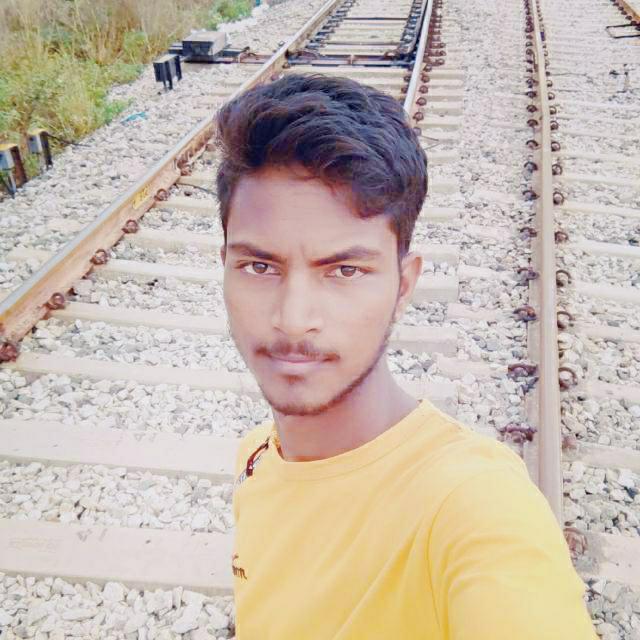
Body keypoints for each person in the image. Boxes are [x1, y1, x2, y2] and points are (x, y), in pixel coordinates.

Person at [215, 73, 598, 639]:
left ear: (404, 284)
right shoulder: (258, 456)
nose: (293, 319)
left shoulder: (474, 506)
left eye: (345, 271)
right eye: (259, 266)